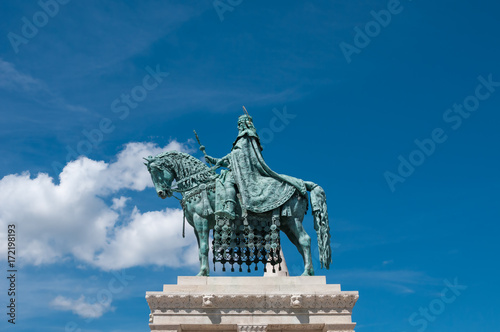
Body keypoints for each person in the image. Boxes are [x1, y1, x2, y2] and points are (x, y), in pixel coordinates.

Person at [205, 114, 306, 219]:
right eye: (238, 124)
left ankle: (230, 208)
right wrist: (214, 160)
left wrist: (223, 159)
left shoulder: (247, 135)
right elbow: (234, 159)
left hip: (247, 172)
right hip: (241, 169)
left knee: (228, 181)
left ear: (245, 124)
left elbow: (240, 154)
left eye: (239, 124)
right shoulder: (245, 137)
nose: (238, 127)